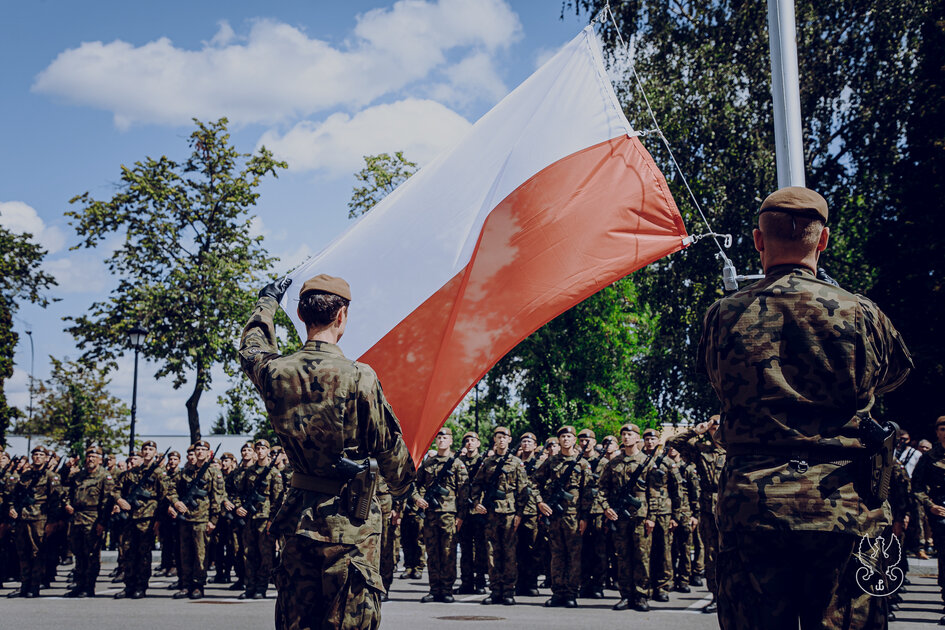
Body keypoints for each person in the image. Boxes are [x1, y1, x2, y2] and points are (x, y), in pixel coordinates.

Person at [698, 186, 912, 629]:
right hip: (845, 505)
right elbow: (894, 374)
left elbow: (716, 380)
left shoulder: (724, 314)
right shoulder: (859, 311)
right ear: (824, 240)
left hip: (752, 506)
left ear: (759, 241)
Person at [240, 274, 415, 630]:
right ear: (342, 316)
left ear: (303, 317)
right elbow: (389, 448)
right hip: (352, 525)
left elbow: (250, 348)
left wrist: (266, 303)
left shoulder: (275, 372)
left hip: (298, 519)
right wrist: (404, 489)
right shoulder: (359, 376)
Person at [532, 425, 593, 608]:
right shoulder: (551, 462)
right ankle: (558, 592)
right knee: (557, 555)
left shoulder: (582, 463)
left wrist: (584, 517)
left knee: (573, 556)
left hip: (574, 517)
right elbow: (534, 482)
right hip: (555, 516)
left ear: (574, 440)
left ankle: (571, 593)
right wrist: (540, 503)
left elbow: (588, 492)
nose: (566, 439)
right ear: (558, 440)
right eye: (563, 437)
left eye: (569, 436)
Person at [471, 425, 532, 606]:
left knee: (509, 554)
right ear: (494, 440)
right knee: (492, 553)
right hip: (491, 514)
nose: (501, 440)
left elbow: (523, 490)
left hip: (509, 514)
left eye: (504, 437)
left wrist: (520, 513)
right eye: (498, 437)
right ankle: (495, 590)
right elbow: (476, 484)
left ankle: (508, 591)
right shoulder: (487, 463)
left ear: (510, 440)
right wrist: (476, 503)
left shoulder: (515, 463)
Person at [598, 423, 652, 612]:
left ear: (638, 438)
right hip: (620, 517)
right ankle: (626, 596)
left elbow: (655, 492)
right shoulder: (613, 463)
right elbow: (602, 489)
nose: (626, 437)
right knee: (622, 557)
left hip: (640, 516)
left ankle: (641, 595)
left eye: (630, 434)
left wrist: (651, 517)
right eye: (623, 434)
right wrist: (606, 508)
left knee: (641, 556)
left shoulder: (647, 461)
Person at [412, 426, 468, 603]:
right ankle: (434, 588)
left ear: (451, 441)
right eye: (439, 437)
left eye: (445, 437)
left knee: (448, 552)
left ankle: (446, 589)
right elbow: (415, 483)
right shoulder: (428, 463)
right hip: (430, 514)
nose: (441, 440)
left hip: (449, 515)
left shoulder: (457, 464)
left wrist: (461, 515)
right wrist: (417, 499)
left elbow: (464, 491)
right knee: (432, 552)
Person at [6, 446, 61, 598]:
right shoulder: (25, 476)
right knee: (23, 552)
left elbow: (56, 501)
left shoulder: (51, 477)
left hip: (40, 519)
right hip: (23, 518)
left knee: (37, 553)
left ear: (45, 458)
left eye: (41, 455)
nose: (37, 457)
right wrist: (12, 508)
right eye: (35, 454)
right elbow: (14, 496)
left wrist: (52, 522)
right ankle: (24, 584)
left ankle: (34, 586)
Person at [233, 439, 283, 600]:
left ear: (268, 451)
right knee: (248, 553)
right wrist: (239, 506)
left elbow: (277, 500)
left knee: (265, 555)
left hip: (265, 520)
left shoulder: (274, 473)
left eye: (263, 448)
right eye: (258, 448)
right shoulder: (249, 472)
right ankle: (250, 586)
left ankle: (261, 587)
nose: (260, 451)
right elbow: (239, 493)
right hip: (249, 518)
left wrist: (271, 521)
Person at [64, 445, 114, 597]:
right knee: (79, 554)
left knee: (92, 554)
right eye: (89, 456)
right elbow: (65, 486)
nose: (91, 459)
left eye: (94, 456)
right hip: (77, 518)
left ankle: (89, 586)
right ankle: (79, 584)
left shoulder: (105, 476)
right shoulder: (79, 476)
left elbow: (107, 502)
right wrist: (67, 503)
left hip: (93, 519)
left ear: (100, 459)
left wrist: (102, 523)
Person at [457, 431, 488, 594]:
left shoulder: (484, 462)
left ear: (478, 443)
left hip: (479, 511)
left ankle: (481, 581)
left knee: (481, 549)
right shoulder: (457, 462)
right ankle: (466, 582)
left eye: (473, 440)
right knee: (465, 549)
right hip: (463, 512)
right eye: (467, 441)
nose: (469, 443)